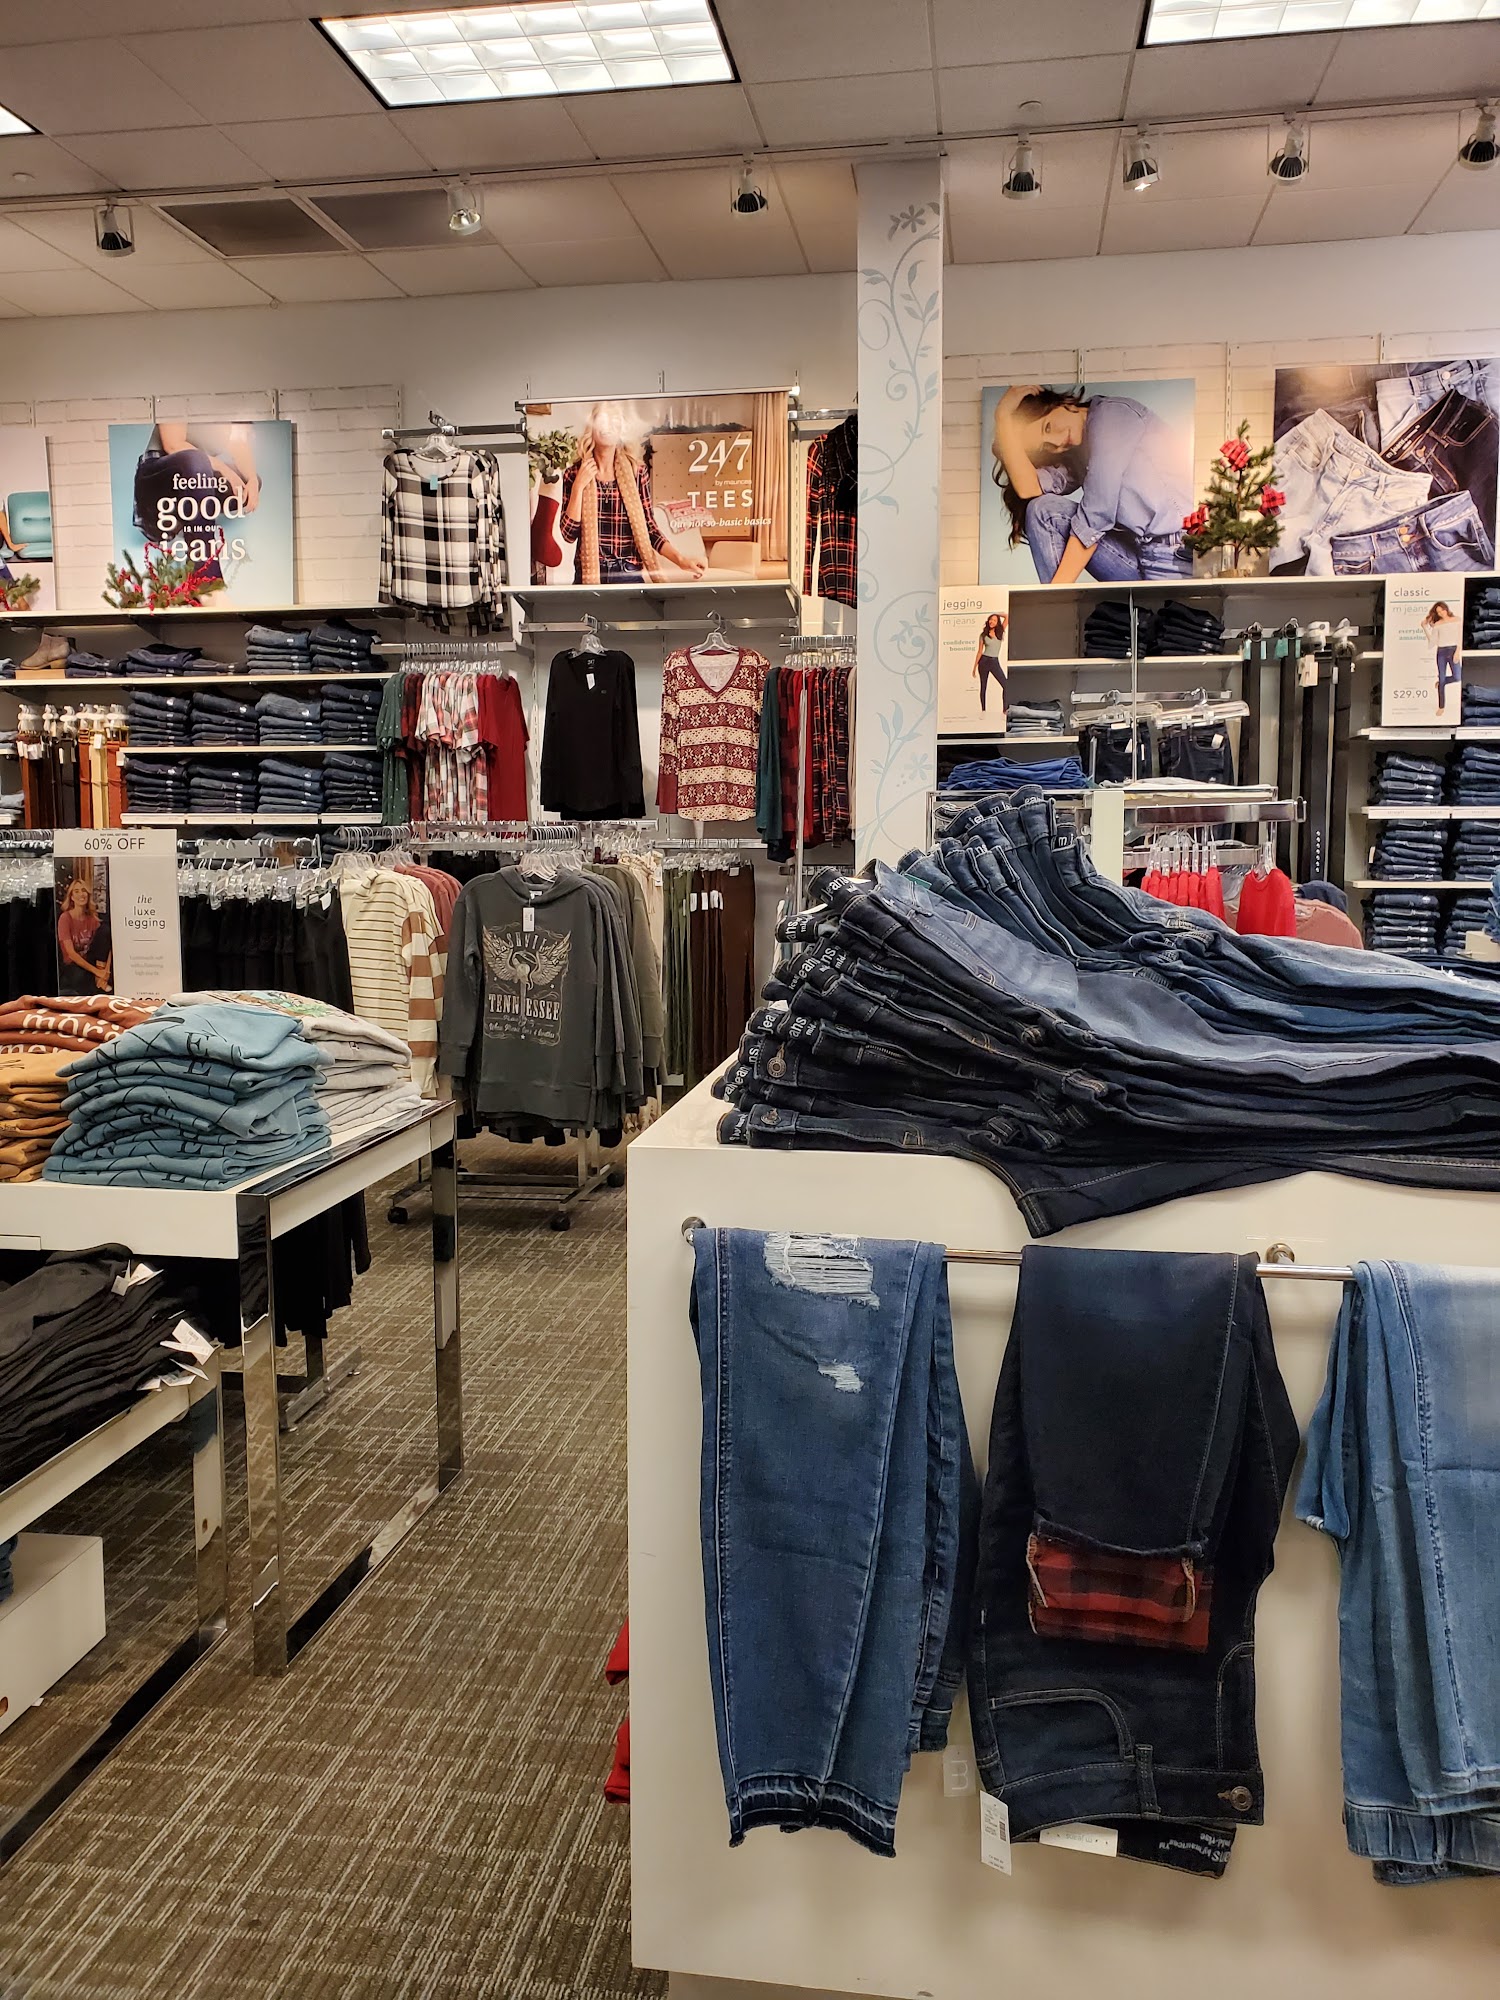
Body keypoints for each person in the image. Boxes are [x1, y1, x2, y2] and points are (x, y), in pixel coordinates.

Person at [991, 385, 1192, 585]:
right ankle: (1059, 601)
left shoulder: (1112, 415)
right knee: (1042, 510)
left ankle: (1057, 601)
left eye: (1048, 427)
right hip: (1139, 554)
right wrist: (1003, 419)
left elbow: (1097, 514)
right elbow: (1029, 488)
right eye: (1046, 446)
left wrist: (1055, 591)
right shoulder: (1079, 453)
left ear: (1061, 404)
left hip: (1174, 554)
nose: (1056, 442)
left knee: (1170, 614)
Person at [560, 402, 707, 584]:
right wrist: (578, 487)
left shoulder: (637, 472)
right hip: (589, 574)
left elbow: (650, 528)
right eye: (602, 419)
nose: (608, 426)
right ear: (592, 426)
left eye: (614, 420)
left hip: (627, 573)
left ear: (621, 429)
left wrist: (681, 560)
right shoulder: (574, 473)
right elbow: (568, 534)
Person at [132, 421, 261, 584]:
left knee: (246, 483)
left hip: (198, 478)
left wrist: (252, 479)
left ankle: (191, 518)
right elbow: (173, 444)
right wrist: (224, 469)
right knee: (197, 460)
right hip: (157, 483)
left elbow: (239, 445)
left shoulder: (231, 418)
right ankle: (206, 581)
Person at [56, 878, 113, 996]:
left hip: (90, 961)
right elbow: (71, 954)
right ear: (71, 897)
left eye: (83, 890)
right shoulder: (65, 918)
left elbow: (106, 945)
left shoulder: (92, 919)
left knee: (105, 930)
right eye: (76, 891)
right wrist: (97, 972)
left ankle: (100, 982)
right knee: (81, 978)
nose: (81, 894)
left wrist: (105, 972)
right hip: (73, 964)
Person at [1424, 600, 1462, 713]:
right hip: (1441, 651)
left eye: (1442, 610)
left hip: (1453, 649)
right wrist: (1424, 627)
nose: (1441, 613)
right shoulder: (1438, 624)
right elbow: (1432, 642)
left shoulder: (1457, 620)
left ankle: (1442, 682)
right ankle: (1441, 707)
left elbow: (1459, 637)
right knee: (1441, 677)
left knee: (1457, 677)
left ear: (1446, 609)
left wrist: (1457, 652)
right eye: (1438, 612)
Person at [972, 612, 1008, 716]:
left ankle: (1004, 711)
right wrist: (974, 667)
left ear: (997, 622)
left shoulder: (1000, 631)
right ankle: (983, 711)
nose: (992, 621)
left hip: (994, 662)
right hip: (983, 661)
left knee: (1006, 685)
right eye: (990, 619)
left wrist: (996, 614)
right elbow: (979, 652)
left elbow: (1007, 616)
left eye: (994, 620)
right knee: (983, 686)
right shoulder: (983, 635)